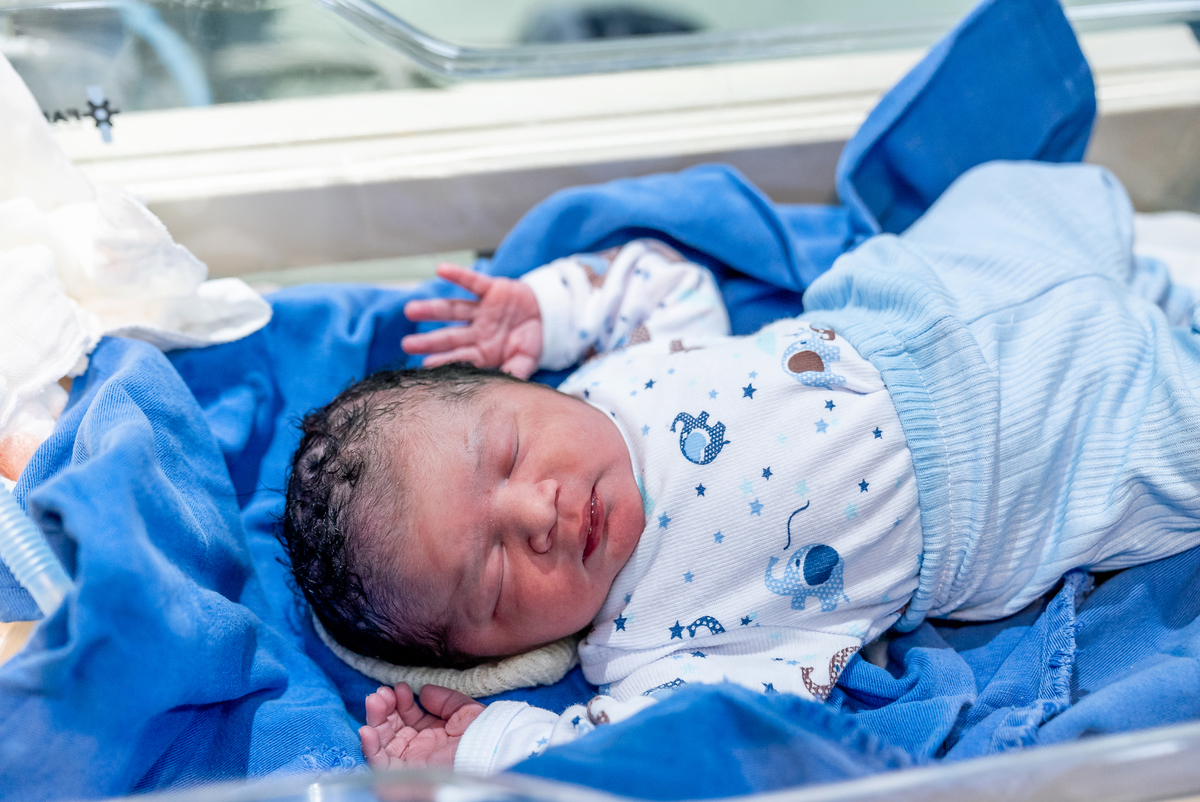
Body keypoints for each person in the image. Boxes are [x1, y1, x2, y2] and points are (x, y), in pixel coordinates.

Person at [280, 161, 1200, 774]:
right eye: (493, 583)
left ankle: (1149, 287)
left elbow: (663, 281)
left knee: (1019, 191)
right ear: (507, 657)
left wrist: (547, 311)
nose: (537, 514)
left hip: (919, 300)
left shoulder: (613, 376)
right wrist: (490, 748)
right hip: (1018, 467)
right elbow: (642, 756)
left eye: (510, 453)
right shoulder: (647, 652)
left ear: (516, 388)